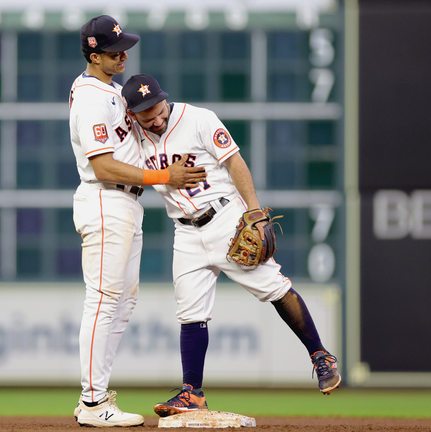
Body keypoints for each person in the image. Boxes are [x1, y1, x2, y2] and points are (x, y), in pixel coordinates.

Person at [121, 74, 341, 418]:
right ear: (133, 114)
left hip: (225, 219)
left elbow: (234, 162)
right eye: (147, 114)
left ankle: (320, 355)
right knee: (190, 312)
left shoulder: (198, 119)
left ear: (165, 99)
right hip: (185, 232)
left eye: (158, 107)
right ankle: (192, 393)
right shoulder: (134, 135)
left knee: (274, 288)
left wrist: (253, 210)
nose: (157, 117)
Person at [68, 18, 206, 427]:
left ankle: (94, 396)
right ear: (94, 56)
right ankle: (93, 402)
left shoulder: (110, 91)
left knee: (122, 302)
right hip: (105, 199)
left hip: (125, 205)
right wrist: (167, 177)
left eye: (124, 46)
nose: (123, 54)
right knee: (104, 300)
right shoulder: (93, 95)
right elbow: (103, 164)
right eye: (113, 51)